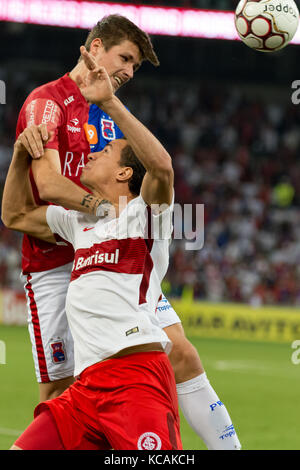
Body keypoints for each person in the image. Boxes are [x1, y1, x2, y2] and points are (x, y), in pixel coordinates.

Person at [7, 15, 241, 450]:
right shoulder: (47, 102)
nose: (129, 73)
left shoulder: (111, 114)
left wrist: (119, 221)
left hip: (118, 255)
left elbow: (151, 175)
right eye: (126, 58)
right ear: (95, 48)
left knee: (182, 353)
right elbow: (51, 186)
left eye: (135, 67)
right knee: (61, 395)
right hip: (57, 259)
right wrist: (102, 211)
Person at [3, 59, 182, 451]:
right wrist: (19, 157)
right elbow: (14, 214)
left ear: (123, 175)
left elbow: (163, 168)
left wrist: (110, 102)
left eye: (109, 150)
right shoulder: (78, 221)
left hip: (136, 377)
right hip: (84, 389)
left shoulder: (146, 216)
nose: (96, 150)